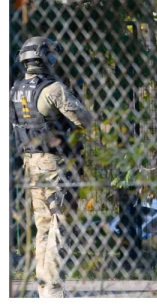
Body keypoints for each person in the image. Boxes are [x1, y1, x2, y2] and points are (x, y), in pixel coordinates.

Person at [10, 37, 94, 298]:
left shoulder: (14, 90)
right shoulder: (53, 89)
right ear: (46, 58)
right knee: (61, 223)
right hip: (55, 164)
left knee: (44, 225)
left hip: (31, 163)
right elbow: (85, 120)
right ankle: (54, 290)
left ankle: (44, 288)